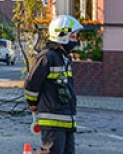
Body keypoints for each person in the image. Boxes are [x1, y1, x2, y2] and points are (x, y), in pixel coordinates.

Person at [25, 14, 84, 154]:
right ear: (61, 36)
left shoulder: (64, 59)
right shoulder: (47, 57)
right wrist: (32, 103)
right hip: (52, 118)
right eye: (73, 37)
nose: (75, 41)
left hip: (67, 118)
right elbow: (31, 84)